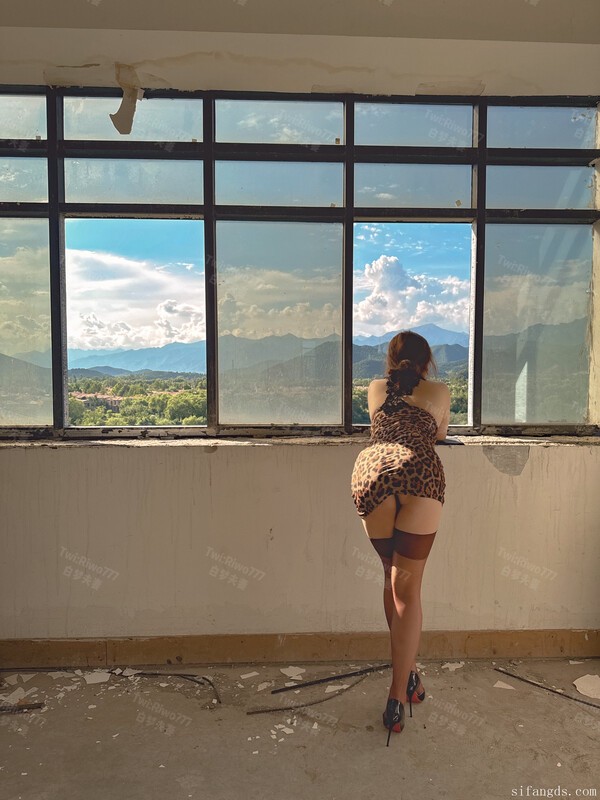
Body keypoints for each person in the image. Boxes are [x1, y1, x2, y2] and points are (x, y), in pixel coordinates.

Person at [350, 330, 450, 746]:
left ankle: (410, 676)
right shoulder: (439, 391)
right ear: (426, 362)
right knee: (408, 589)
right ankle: (396, 695)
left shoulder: (375, 388)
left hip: (371, 472)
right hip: (418, 473)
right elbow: (438, 435)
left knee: (391, 579)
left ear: (390, 361)